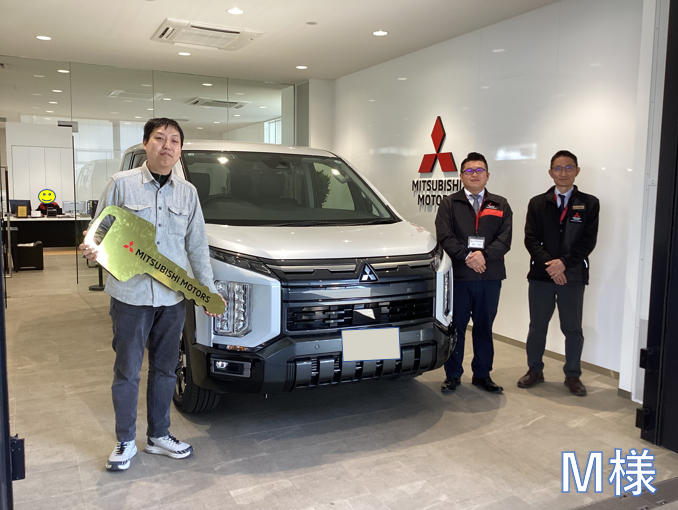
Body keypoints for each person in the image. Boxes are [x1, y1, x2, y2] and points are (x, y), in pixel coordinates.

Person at [79, 118, 225, 471]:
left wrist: (207, 291)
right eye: (159, 138)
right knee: (127, 371)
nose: (167, 146)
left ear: (180, 150)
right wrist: (93, 248)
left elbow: (196, 246)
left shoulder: (187, 193)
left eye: (174, 140)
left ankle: (159, 435)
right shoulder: (121, 183)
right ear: (146, 144)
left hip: (171, 299)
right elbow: (98, 231)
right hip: (130, 297)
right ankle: (125, 441)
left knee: (165, 370)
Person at [517, 150, 600, 396]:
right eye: (558, 168)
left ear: (577, 171)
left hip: (573, 276)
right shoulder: (537, 203)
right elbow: (531, 240)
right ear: (551, 172)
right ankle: (535, 370)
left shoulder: (589, 203)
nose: (564, 173)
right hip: (541, 276)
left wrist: (563, 264)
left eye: (569, 167)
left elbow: (588, 242)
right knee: (537, 327)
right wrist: (551, 266)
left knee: (573, 328)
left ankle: (573, 375)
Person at [435, 152, 512, 393]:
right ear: (461, 176)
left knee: (484, 327)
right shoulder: (449, 203)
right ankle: (453, 375)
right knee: (456, 327)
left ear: (488, 175)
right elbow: (444, 235)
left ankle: (482, 374)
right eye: (469, 171)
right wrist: (468, 256)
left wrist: (483, 255)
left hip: (490, 276)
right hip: (460, 276)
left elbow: (505, 239)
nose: (475, 174)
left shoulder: (500, 204)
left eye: (479, 170)